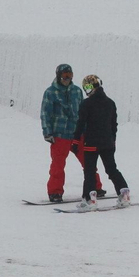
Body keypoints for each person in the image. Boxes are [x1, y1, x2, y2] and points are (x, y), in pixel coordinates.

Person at [39, 63, 98, 203]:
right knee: (58, 165)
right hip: (60, 135)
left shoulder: (77, 91)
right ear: (58, 76)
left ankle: (95, 187)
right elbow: (45, 113)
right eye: (65, 76)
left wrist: (87, 130)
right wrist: (47, 132)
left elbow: (84, 112)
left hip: (78, 134)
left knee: (88, 162)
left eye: (70, 75)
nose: (67, 79)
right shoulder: (50, 93)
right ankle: (55, 192)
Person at [74, 74, 129, 209]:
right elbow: (113, 125)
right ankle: (124, 193)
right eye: (85, 88)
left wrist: (75, 140)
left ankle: (89, 200)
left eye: (88, 87)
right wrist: (113, 140)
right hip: (108, 143)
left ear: (94, 86)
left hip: (91, 144)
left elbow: (80, 123)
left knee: (89, 171)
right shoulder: (110, 102)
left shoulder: (86, 104)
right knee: (112, 169)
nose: (87, 91)